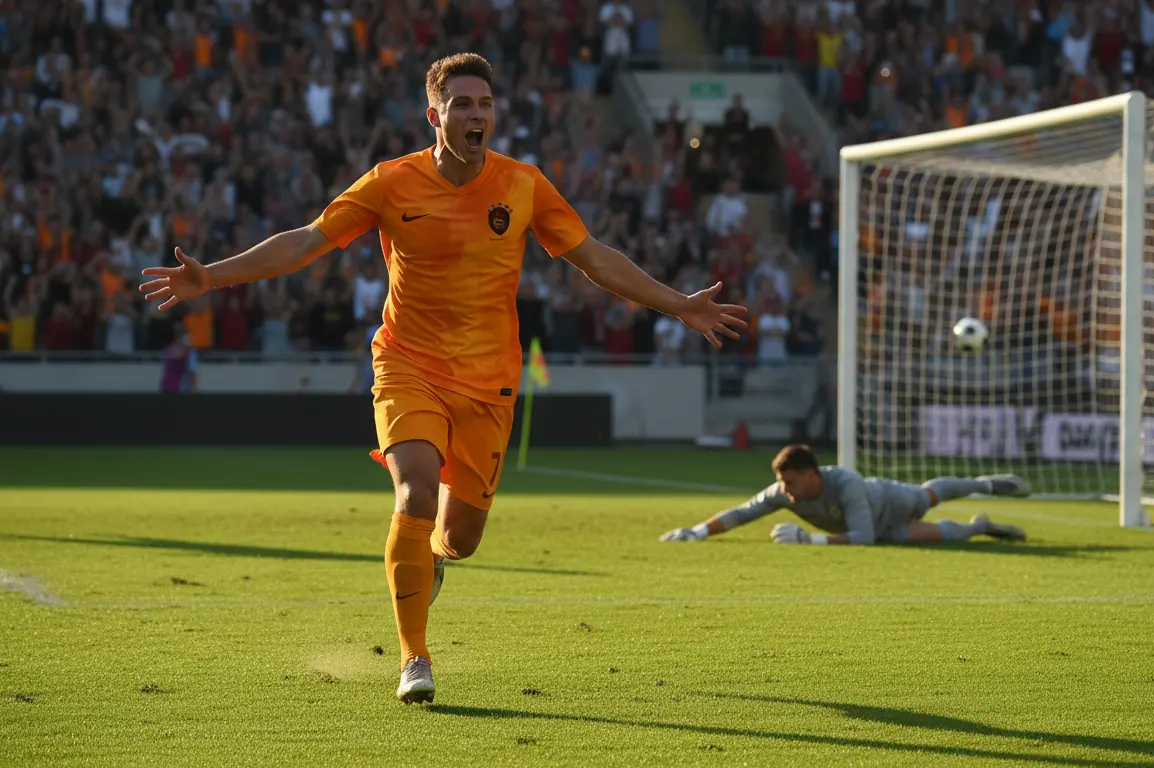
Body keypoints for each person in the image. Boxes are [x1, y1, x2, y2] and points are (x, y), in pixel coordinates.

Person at [139, 53, 747, 705]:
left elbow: (593, 258)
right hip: (408, 364)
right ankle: (415, 659)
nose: (476, 114)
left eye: (484, 103)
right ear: (436, 116)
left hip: (490, 382)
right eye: (462, 104)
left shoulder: (523, 185)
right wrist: (214, 275)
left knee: (458, 539)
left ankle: (432, 560)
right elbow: (306, 242)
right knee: (415, 490)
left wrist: (676, 302)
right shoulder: (389, 183)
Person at [660, 444, 1029, 546]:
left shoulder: (847, 482)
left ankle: (985, 484)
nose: (784, 491)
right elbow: (742, 513)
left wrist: (810, 539)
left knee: (929, 495)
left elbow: (862, 538)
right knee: (942, 536)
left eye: (790, 482)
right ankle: (981, 526)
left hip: (889, 501)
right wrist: (698, 531)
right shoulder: (784, 492)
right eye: (782, 484)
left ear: (810, 475)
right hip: (881, 531)